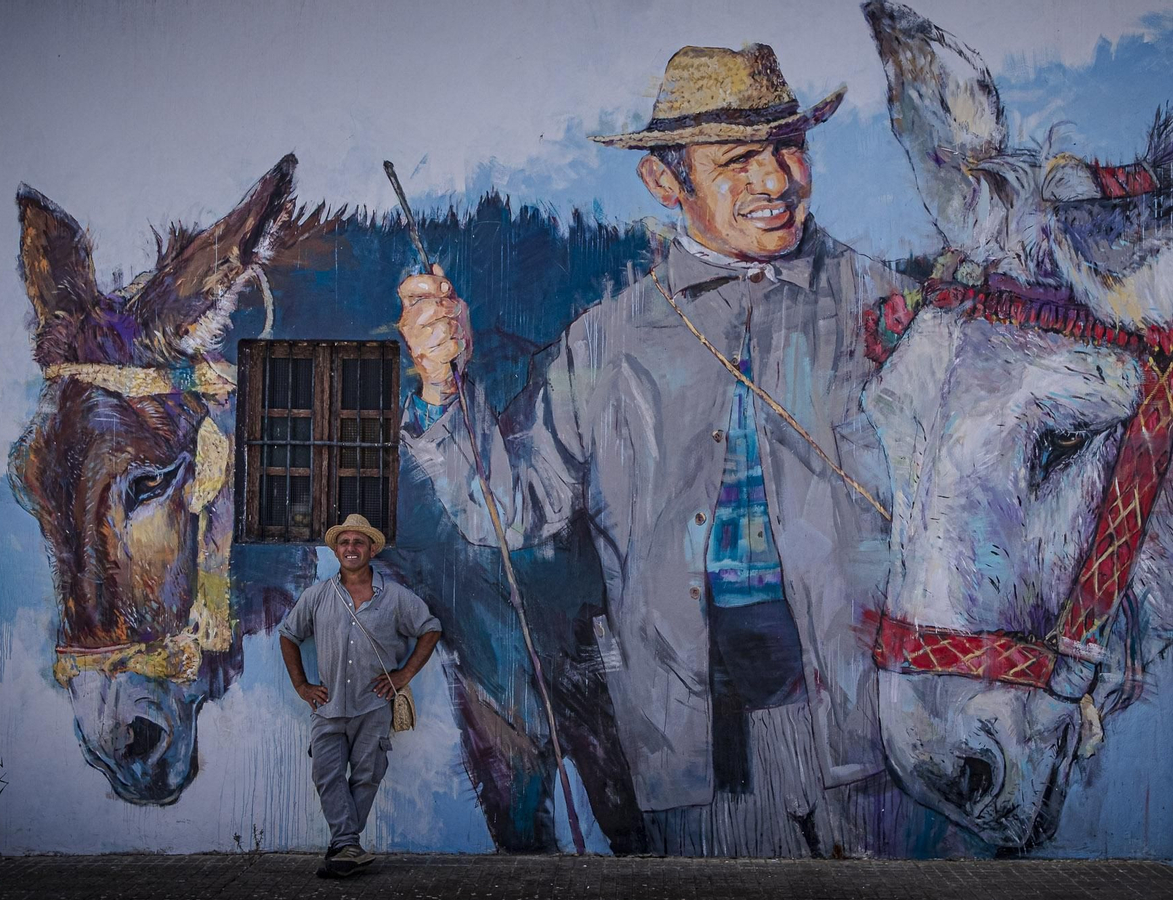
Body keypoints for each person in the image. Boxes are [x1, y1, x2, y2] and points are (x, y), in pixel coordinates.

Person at [397, 44, 911, 857]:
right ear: (665, 184)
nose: (776, 181)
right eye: (739, 159)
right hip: (690, 738)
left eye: (788, 147)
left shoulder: (887, 310)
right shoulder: (606, 344)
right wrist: (440, 385)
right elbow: (511, 511)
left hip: (873, 730)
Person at [278, 514, 443, 877]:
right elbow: (289, 635)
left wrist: (405, 674)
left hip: (374, 705)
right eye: (344, 542)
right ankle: (347, 846)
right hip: (328, 704)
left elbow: (430, 628)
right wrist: (302, 686)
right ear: (337, 551)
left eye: (358, 542)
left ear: (371, 550)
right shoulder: (318, 595)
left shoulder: (395, 597)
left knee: (367, 775)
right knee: (327, 774)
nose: (351, 548)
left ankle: (343, 849)